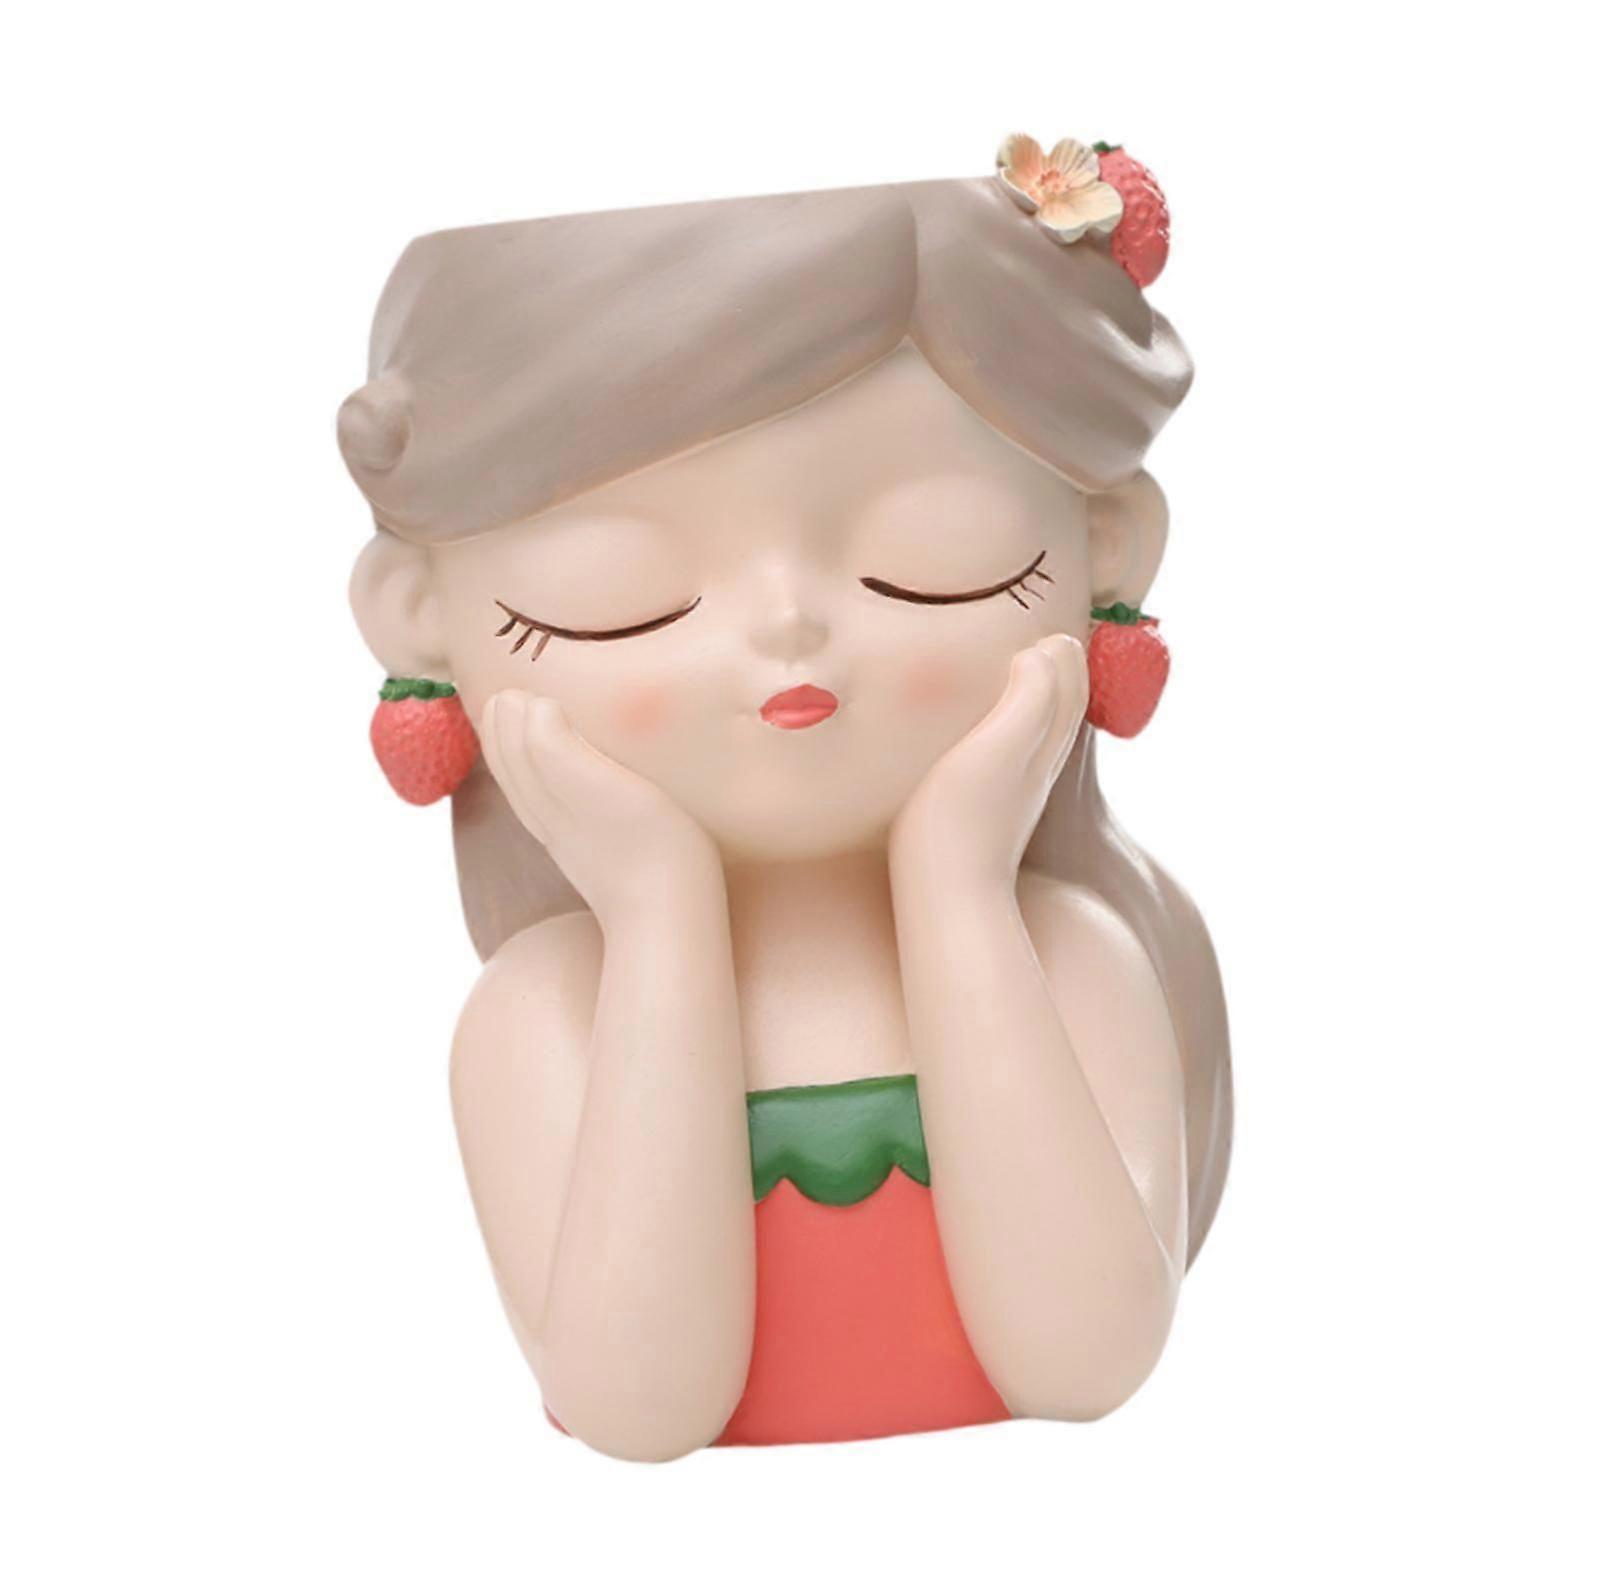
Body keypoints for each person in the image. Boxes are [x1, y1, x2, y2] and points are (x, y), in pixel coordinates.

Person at [340, 139, 1231, 1461]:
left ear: (1105, 548)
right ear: (419, 617)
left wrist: (957, 887)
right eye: (624, 589)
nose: (789, 626)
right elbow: (642, 1409)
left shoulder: (1078, 956)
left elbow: (1082, 1361)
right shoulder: (543, 1013)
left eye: (933, 555)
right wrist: (658, 918)